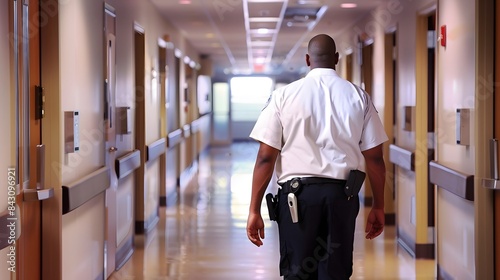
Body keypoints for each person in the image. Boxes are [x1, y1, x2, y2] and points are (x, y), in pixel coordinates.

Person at [246, 34, 388, 280]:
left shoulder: (283, 96)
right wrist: (378, 205)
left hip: (297, 200)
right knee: (336, 273)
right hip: (342, 197)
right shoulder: (358, 96)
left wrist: (254, 209)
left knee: (298, 272)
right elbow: (375, 158)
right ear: (336, 58)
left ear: (307, 59)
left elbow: (265, 158)